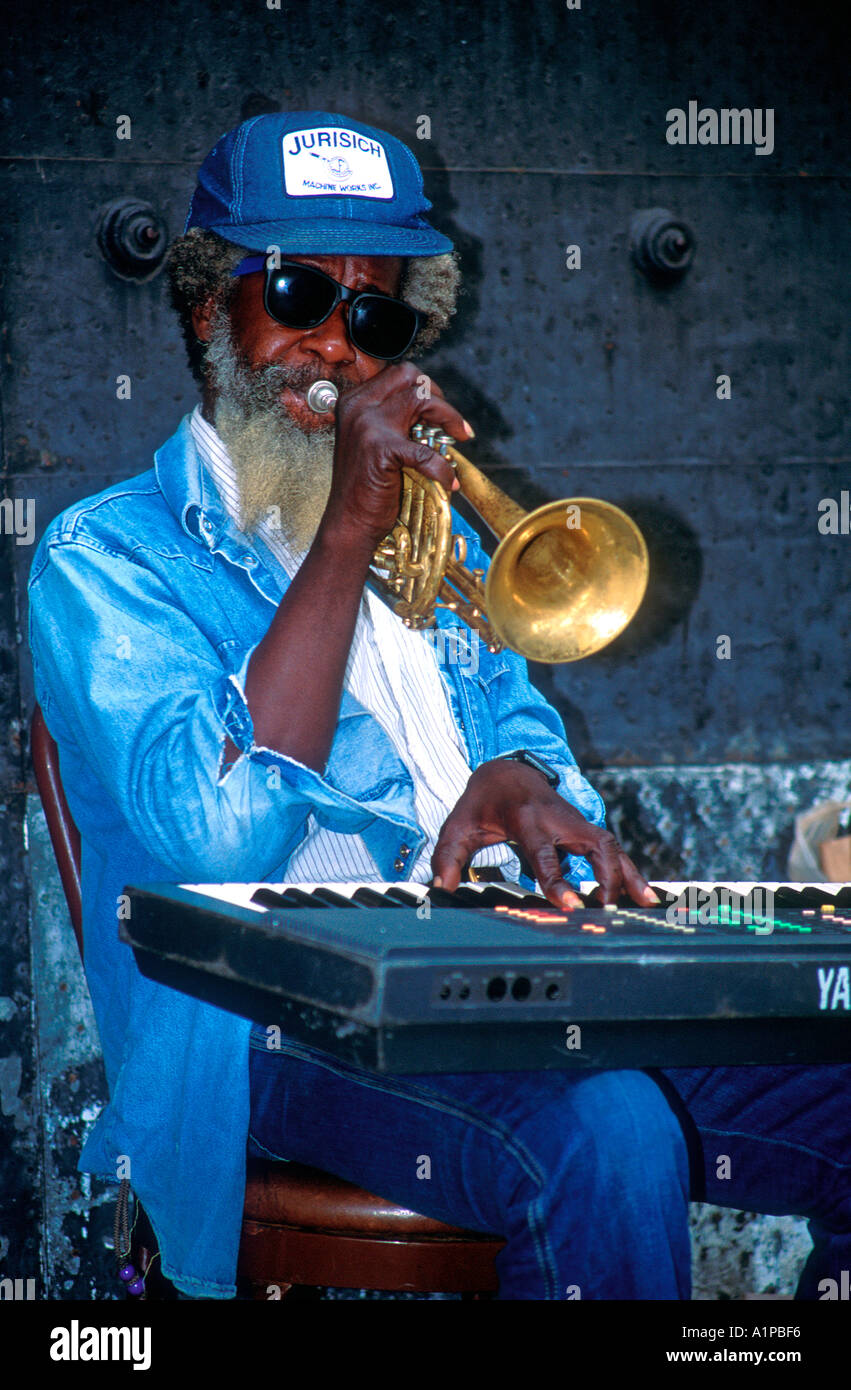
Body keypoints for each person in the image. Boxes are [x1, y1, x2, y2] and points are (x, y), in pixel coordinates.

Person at [28, 112, 849, 1300]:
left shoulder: (440, 534)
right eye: (299, 293)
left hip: (500, 985)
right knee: (607, 1130)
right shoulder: (105, 558)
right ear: (207, 306)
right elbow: (212, 833)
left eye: (374, 315)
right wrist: (342, 535)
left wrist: (522, 783)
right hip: (268, 1036)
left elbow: (527, 738)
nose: (335, 346)